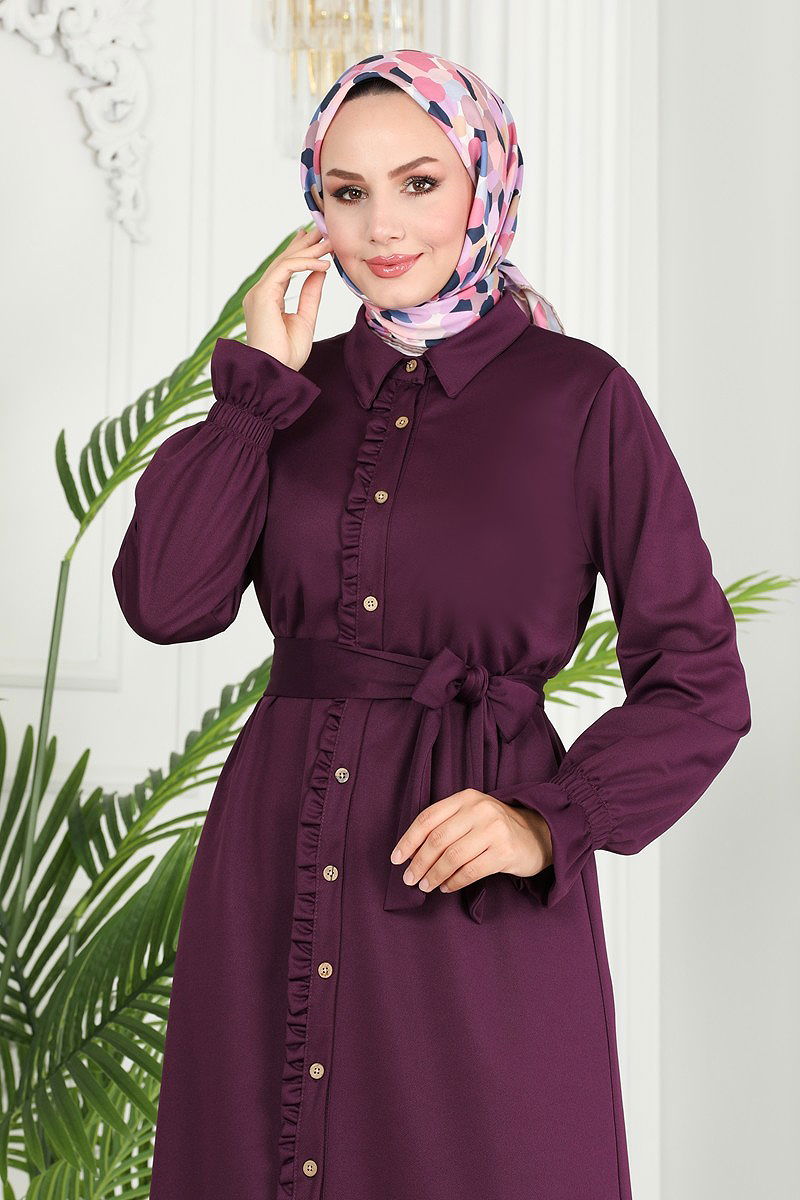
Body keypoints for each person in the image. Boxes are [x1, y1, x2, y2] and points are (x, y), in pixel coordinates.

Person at [112, 47, 751, 1200]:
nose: (381, 226)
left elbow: (697, 676)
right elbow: (166, 603)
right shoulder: (287, 395)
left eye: (418, 182)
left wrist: (547, 820)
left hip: (466, 881)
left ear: (482, 183)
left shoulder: (579, 397)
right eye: (345, 192)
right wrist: (251, 394)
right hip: (273, 856)